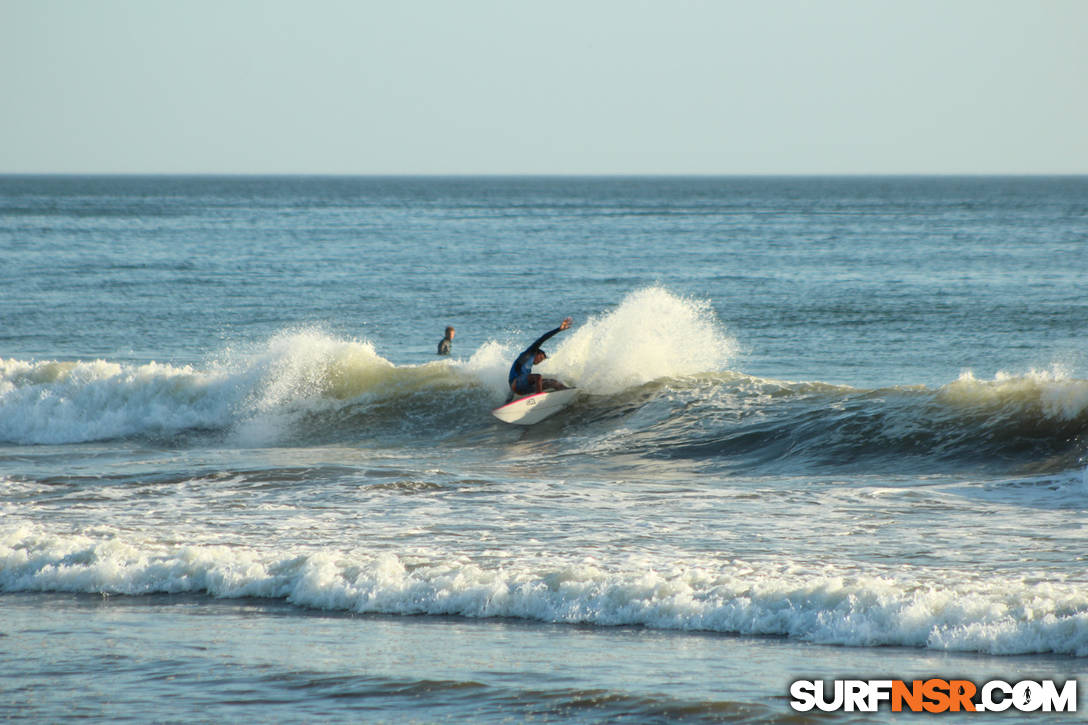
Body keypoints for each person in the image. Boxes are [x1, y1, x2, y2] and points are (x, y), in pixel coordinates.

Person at [508, 317, 572, 397]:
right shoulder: (529, 353)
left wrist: (507, 402)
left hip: (523, 388)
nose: (540, 362)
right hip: (516, 383)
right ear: (537, 353)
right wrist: (559, 329)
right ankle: (539, 398)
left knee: (553, 382)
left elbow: (516, 385)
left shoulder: (527, 368)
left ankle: (567, 392)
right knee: (538, 376)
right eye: (541, 358)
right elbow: (542, 338)